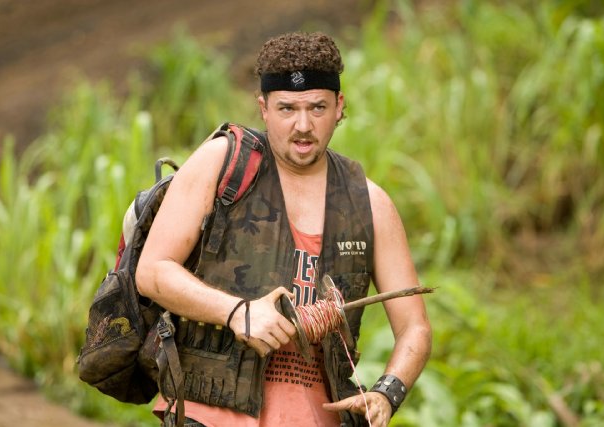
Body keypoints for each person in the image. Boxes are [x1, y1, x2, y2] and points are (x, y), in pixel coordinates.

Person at [136, 31, 431, 427]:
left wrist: (386, 393)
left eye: (317, 107)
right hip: (207, 414)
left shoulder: (370, 204)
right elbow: (152, 271)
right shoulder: (223, 165)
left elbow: (414, 326)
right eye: (287, 108)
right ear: (264, 108)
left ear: (339, 106)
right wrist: (236, 312)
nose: (303, 125)